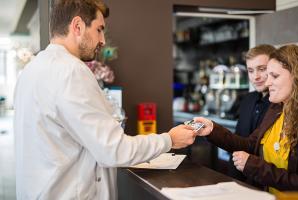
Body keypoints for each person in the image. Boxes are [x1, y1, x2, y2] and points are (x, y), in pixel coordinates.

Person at [13, 1, 197, 199]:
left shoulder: (31, 70)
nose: (102, 40)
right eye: (99, 29)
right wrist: (169, 140)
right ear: (77, 26)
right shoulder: (72, 71)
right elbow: (114, 150)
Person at [194, 44, 298, 193]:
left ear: (296, 77)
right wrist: (213, 130)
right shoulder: (276, 109)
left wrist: (255, 167)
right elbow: (250, 144)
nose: (267, 82)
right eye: (267, 74)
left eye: (274, 76)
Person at [228, 44, 276, 181]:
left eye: (262, 69)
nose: (256, 77)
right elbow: (237, 142)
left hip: (267, 182)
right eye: (250, 70)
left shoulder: (281, 104)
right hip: (240, 180)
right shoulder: (247, 99)